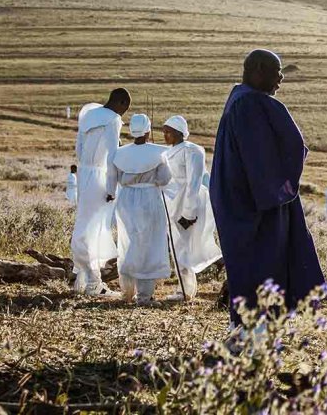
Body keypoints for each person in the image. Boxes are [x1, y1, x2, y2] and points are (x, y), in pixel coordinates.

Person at [210, 49, 324, 327]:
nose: (281, 78)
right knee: (262, 267)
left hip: (245, 200)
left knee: (248, 269)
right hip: (259, 204)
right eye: (276, 70)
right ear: (258, 70)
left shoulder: (239, 100)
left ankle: (247, 330)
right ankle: (254, 334)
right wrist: (278, 189)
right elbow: (268, 158)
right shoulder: (252, 104)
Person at [107, 114, 173, 304]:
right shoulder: (159, 152)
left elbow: (112, 179)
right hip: (150, 198)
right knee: (150, 244)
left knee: (129, 243)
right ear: (148, 130)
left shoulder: (118, 153)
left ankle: (128, 291)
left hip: (126, 200)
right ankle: (145, 295)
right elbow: (165, 178)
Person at [71, 88, 130, 297]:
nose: (124, 114)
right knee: (97, 227)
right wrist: (111, 188)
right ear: (121, 103)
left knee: (84, 222)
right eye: (126, 109)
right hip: (99, 176)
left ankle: (83, 277)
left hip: (84, 174)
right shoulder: (112, 120)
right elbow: (112, 155)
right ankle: (94, 283)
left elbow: (78, 149)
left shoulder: (89, 115)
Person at [162, 115, 223, 301]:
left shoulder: (192, 151)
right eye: (164, 132)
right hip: (175, 201)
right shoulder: (168, 152)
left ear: (180, 133)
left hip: (190, 201)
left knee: (183, 246)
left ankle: (185, 291)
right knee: (180, 246)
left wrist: (189, 213)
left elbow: (193, 183)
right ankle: (187, 288)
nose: (165, 136)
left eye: (169, 132)